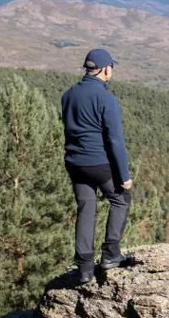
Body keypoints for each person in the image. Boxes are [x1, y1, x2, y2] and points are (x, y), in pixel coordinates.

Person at [60, 48, 132, 283]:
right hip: (99, 162)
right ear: (105, 69)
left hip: (74, 162)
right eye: (112, 67)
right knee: (120, 199)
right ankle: (111, 254)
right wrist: (124, 175)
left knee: (86, 208)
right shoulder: (105, 99)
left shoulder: (68, 94)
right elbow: (115, 141)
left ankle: (84, 268)